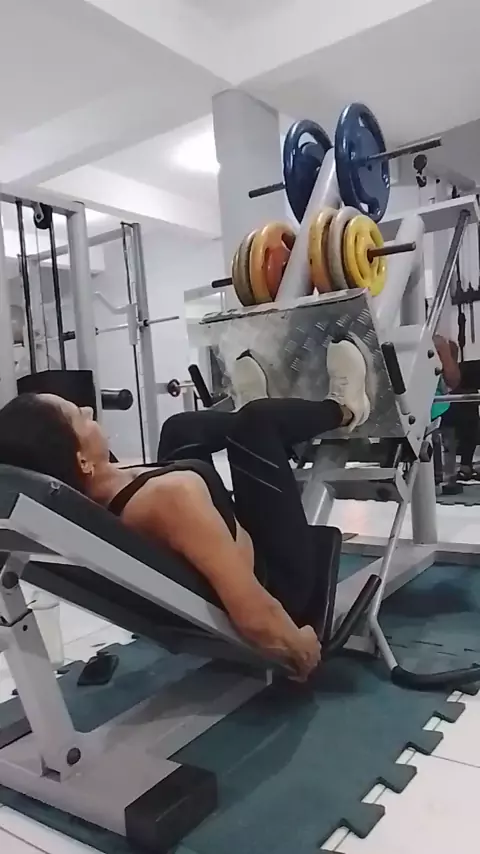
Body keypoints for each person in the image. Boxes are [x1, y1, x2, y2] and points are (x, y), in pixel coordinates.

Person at [0, 340, 371, 681]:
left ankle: (267, 412)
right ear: (82, 460)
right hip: (280, 582)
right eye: (78, 417)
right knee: (258, 423)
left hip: (222, 530)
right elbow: (254, 613)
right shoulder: (169, 499)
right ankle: (345, 408)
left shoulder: (95, 488)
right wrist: (298, 647)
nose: (88, 408)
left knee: (181, 428)